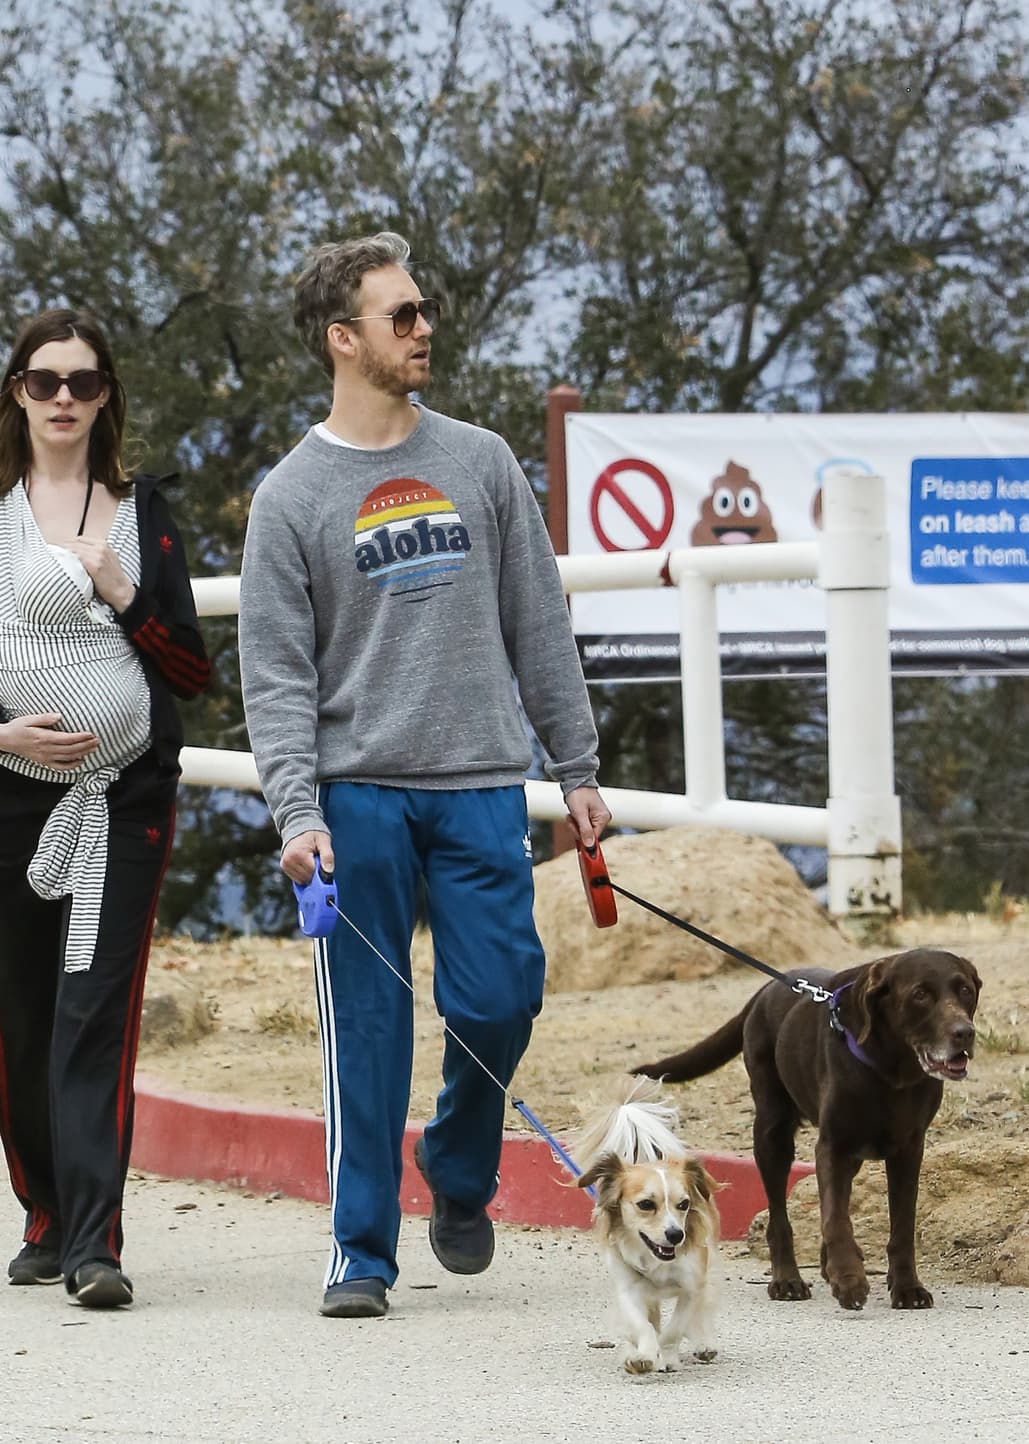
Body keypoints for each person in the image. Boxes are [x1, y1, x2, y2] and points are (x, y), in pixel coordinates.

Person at [238, 232, 609, 1319]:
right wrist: (296, 812)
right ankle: (361, 1251)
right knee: (365, 1028)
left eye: (424, 311)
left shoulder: (480, 460)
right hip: (355, 800)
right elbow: (275, 676)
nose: (423, 328)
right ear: (341, 338)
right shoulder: (290, 497)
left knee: (499, 997)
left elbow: (538, 623)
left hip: (480, 783)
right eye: (400, 315)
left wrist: (575, 765)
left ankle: (456, 1160)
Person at [0, 308, 210, 1307]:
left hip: (121, 801)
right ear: (17, 393)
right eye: (45, 382)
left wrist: (126, 593)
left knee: (93, 1010)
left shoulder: (145, 510)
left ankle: (94, 1245)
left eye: (83, 381)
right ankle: (42, 1211)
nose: (65, 398)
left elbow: (189, 670)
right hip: (0, 804)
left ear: (107, 393)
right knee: (27, 1011)